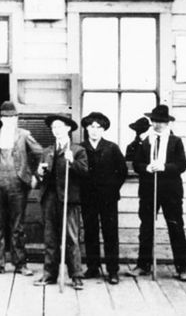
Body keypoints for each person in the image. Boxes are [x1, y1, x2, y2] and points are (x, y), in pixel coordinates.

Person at [126, 104, 186, 282]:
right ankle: (143, 265)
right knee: (146, 227)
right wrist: (146, 167)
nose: (158, 125)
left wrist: (164, 167)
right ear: (151, 122)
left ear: (167, 123)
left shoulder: (175, 141)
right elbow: (137, 164)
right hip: (148, 189)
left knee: (175, 226)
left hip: (171, 191)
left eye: (161, 122)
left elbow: (182, 165)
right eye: (155, 121)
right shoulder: (146, 141)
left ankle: (182, 268)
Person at [0, 101, 43, 276]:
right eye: (6, 117)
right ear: (1, 119)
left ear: (16, 118)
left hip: (18, 184)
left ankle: (20, 264)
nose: (9, 120)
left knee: (17, 226)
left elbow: (40, 152)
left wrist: (35, 174)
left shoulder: (24, 135)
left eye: (12, 117)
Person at [33, 115, 88, 290]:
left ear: (68, 129)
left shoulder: (77, 150)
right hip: (50, 199)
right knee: (50, 238)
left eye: (60, 127)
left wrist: (72, 162)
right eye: (54, 127)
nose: (56, 130)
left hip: (69, 200)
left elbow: (85, 172)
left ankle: (76, 276)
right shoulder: (47, 151)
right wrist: (40, 173)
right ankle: (50, 274)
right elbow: (41, 178)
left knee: (71, 238)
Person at [80, 111, 127, 284]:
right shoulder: (80, 148)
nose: (94, 130)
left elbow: (122, 172)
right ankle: (93, 267)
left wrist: (112, 188)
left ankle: (112, 270)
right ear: (86, 128)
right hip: (87, 198)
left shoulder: (111, 148)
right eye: (91, 127)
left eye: (98, 127)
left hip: (108, 198)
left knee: (110, 232)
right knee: (90, 231)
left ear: (103, 129)